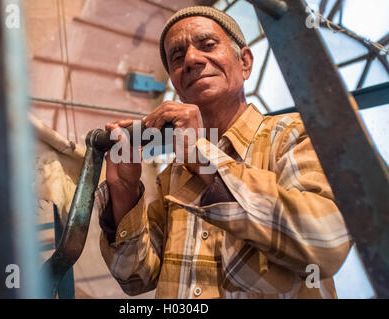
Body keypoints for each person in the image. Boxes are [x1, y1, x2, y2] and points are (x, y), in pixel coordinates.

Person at [95, 6, 351, 298]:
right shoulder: (173, 176)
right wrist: (124, 192)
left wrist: (204, 161)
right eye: (177, 57)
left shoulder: (295, 134)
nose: (191, 59)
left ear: (244, 62)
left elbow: (326, 243)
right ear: (178, 86)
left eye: (207, 45)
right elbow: (136, 278)